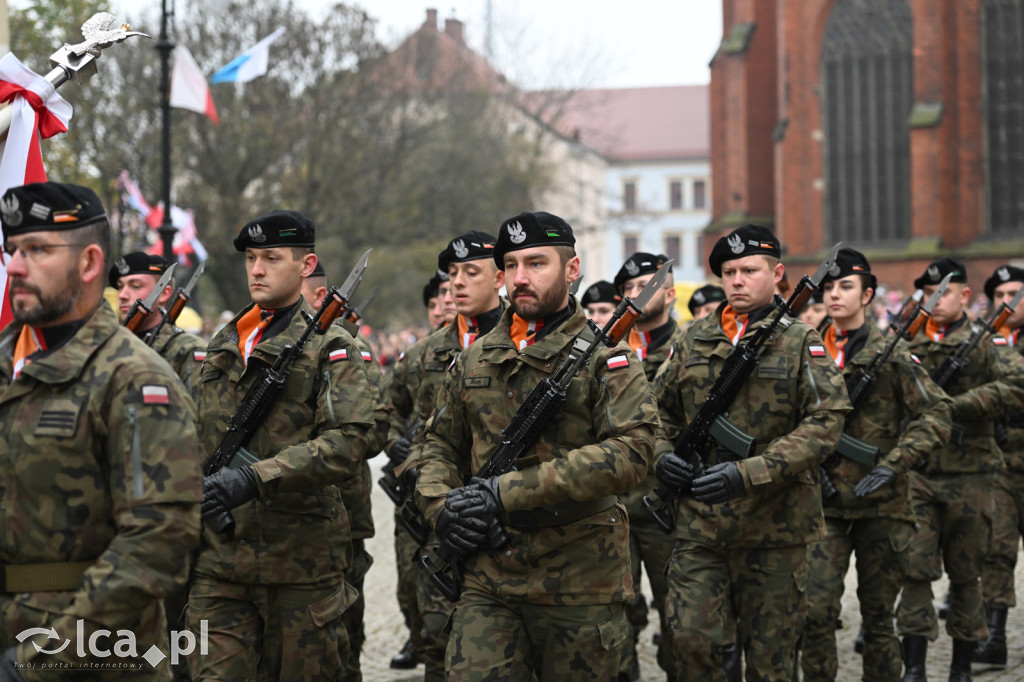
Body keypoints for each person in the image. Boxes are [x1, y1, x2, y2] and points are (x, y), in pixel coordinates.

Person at [415, 211, 659, 680]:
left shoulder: (608, 357)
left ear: (572, 269)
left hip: (579, 579)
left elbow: (633, 453)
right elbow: (438, 446)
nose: (520, 278)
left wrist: (506, 492)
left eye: (537, 263)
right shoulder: (473, 358)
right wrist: (444, 508)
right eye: (510, 266)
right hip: (489, 575)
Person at [0, 181, 202, 678]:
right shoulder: (8, 363)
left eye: (37, 250)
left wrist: (40, 661)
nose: (16, 267)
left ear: (90, 263)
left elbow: (157, 545)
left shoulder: (134, 378)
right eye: (11, 250)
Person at [652, 223, 850, 681]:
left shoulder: (802, 341)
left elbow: (826, 423)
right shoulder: (693, 339)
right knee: (690, 640)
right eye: (729, 271)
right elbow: (654, 414)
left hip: (774, 529)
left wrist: (751, 472)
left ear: (777, 273)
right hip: (701, 527)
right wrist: (664, 456)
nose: (737, 280)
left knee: (772, 659)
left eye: (749, 270)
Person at [187, 209, 375, 681]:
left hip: (300, 565)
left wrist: (257, 476)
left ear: (306, 265)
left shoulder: (331, 346)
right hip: (220, 561)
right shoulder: (223, 343)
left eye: (271, 258)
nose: (256, 269)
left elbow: (347, 442)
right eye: (252, 258)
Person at [799, 248, 952, 682]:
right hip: (822, 506)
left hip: (881, 505)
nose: (834, 295)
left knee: (880, 618)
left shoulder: (894, 355)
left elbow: (936, 413)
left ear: (867, 295)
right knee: (815, 613)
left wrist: (896, 463)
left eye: (845, 286)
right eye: (828, 287)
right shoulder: (803, 354)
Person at [897, 257, 1024, 682]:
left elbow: (1015, 388)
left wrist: (956, 407)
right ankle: (914, 667)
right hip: (919, 476)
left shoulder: (986, 341)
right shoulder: (907, 344)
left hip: (971, 477)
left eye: (944, 292)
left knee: (968, 575)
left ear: (964, 295)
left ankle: (961, 667)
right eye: (928, 293)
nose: (934, 300)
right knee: (914, 571)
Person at [398, 230, 507, 682]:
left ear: (499, 278)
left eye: (470, 273)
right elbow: (387, 418)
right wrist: (403, 458)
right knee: (437, 641)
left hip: (502, 518)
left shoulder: (522, 348)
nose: (456, 283)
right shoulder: (424, 354)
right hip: (438, 517)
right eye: (453, 274)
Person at [300, 259, 386, 682]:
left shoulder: (351, 352)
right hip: (278, 521)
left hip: (343, 510)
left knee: (341, 627)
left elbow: (372, 431)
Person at [613, 252, 684, 681]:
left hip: (667, 508)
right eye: (630, 288)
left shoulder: (693, 348)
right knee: (615, 618)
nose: (637, 295)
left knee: (680, 618)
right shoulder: (605, 352)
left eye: (647, 285)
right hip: (614, 506)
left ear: (670, 293)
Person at [382, 270, 455, 671]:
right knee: (412, 582)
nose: (445, 303)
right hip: (415, 491)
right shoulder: (417, 357)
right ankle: (420, 635)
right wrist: (396, 445)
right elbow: (390, 411)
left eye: (449, 294)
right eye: (435, 300)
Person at [973, 265, 1024, 667]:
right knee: (997, 549)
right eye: (1001, 294)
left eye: (1016, 293)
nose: (1008, 301)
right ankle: (994, 636)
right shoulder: (982, 344)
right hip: (1002, 464)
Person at [109, 251, 206, 392]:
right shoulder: (108, 346)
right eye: (120, 286)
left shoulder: (188, 351)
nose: (122, 295)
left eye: (135, 286)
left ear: (164, 293)